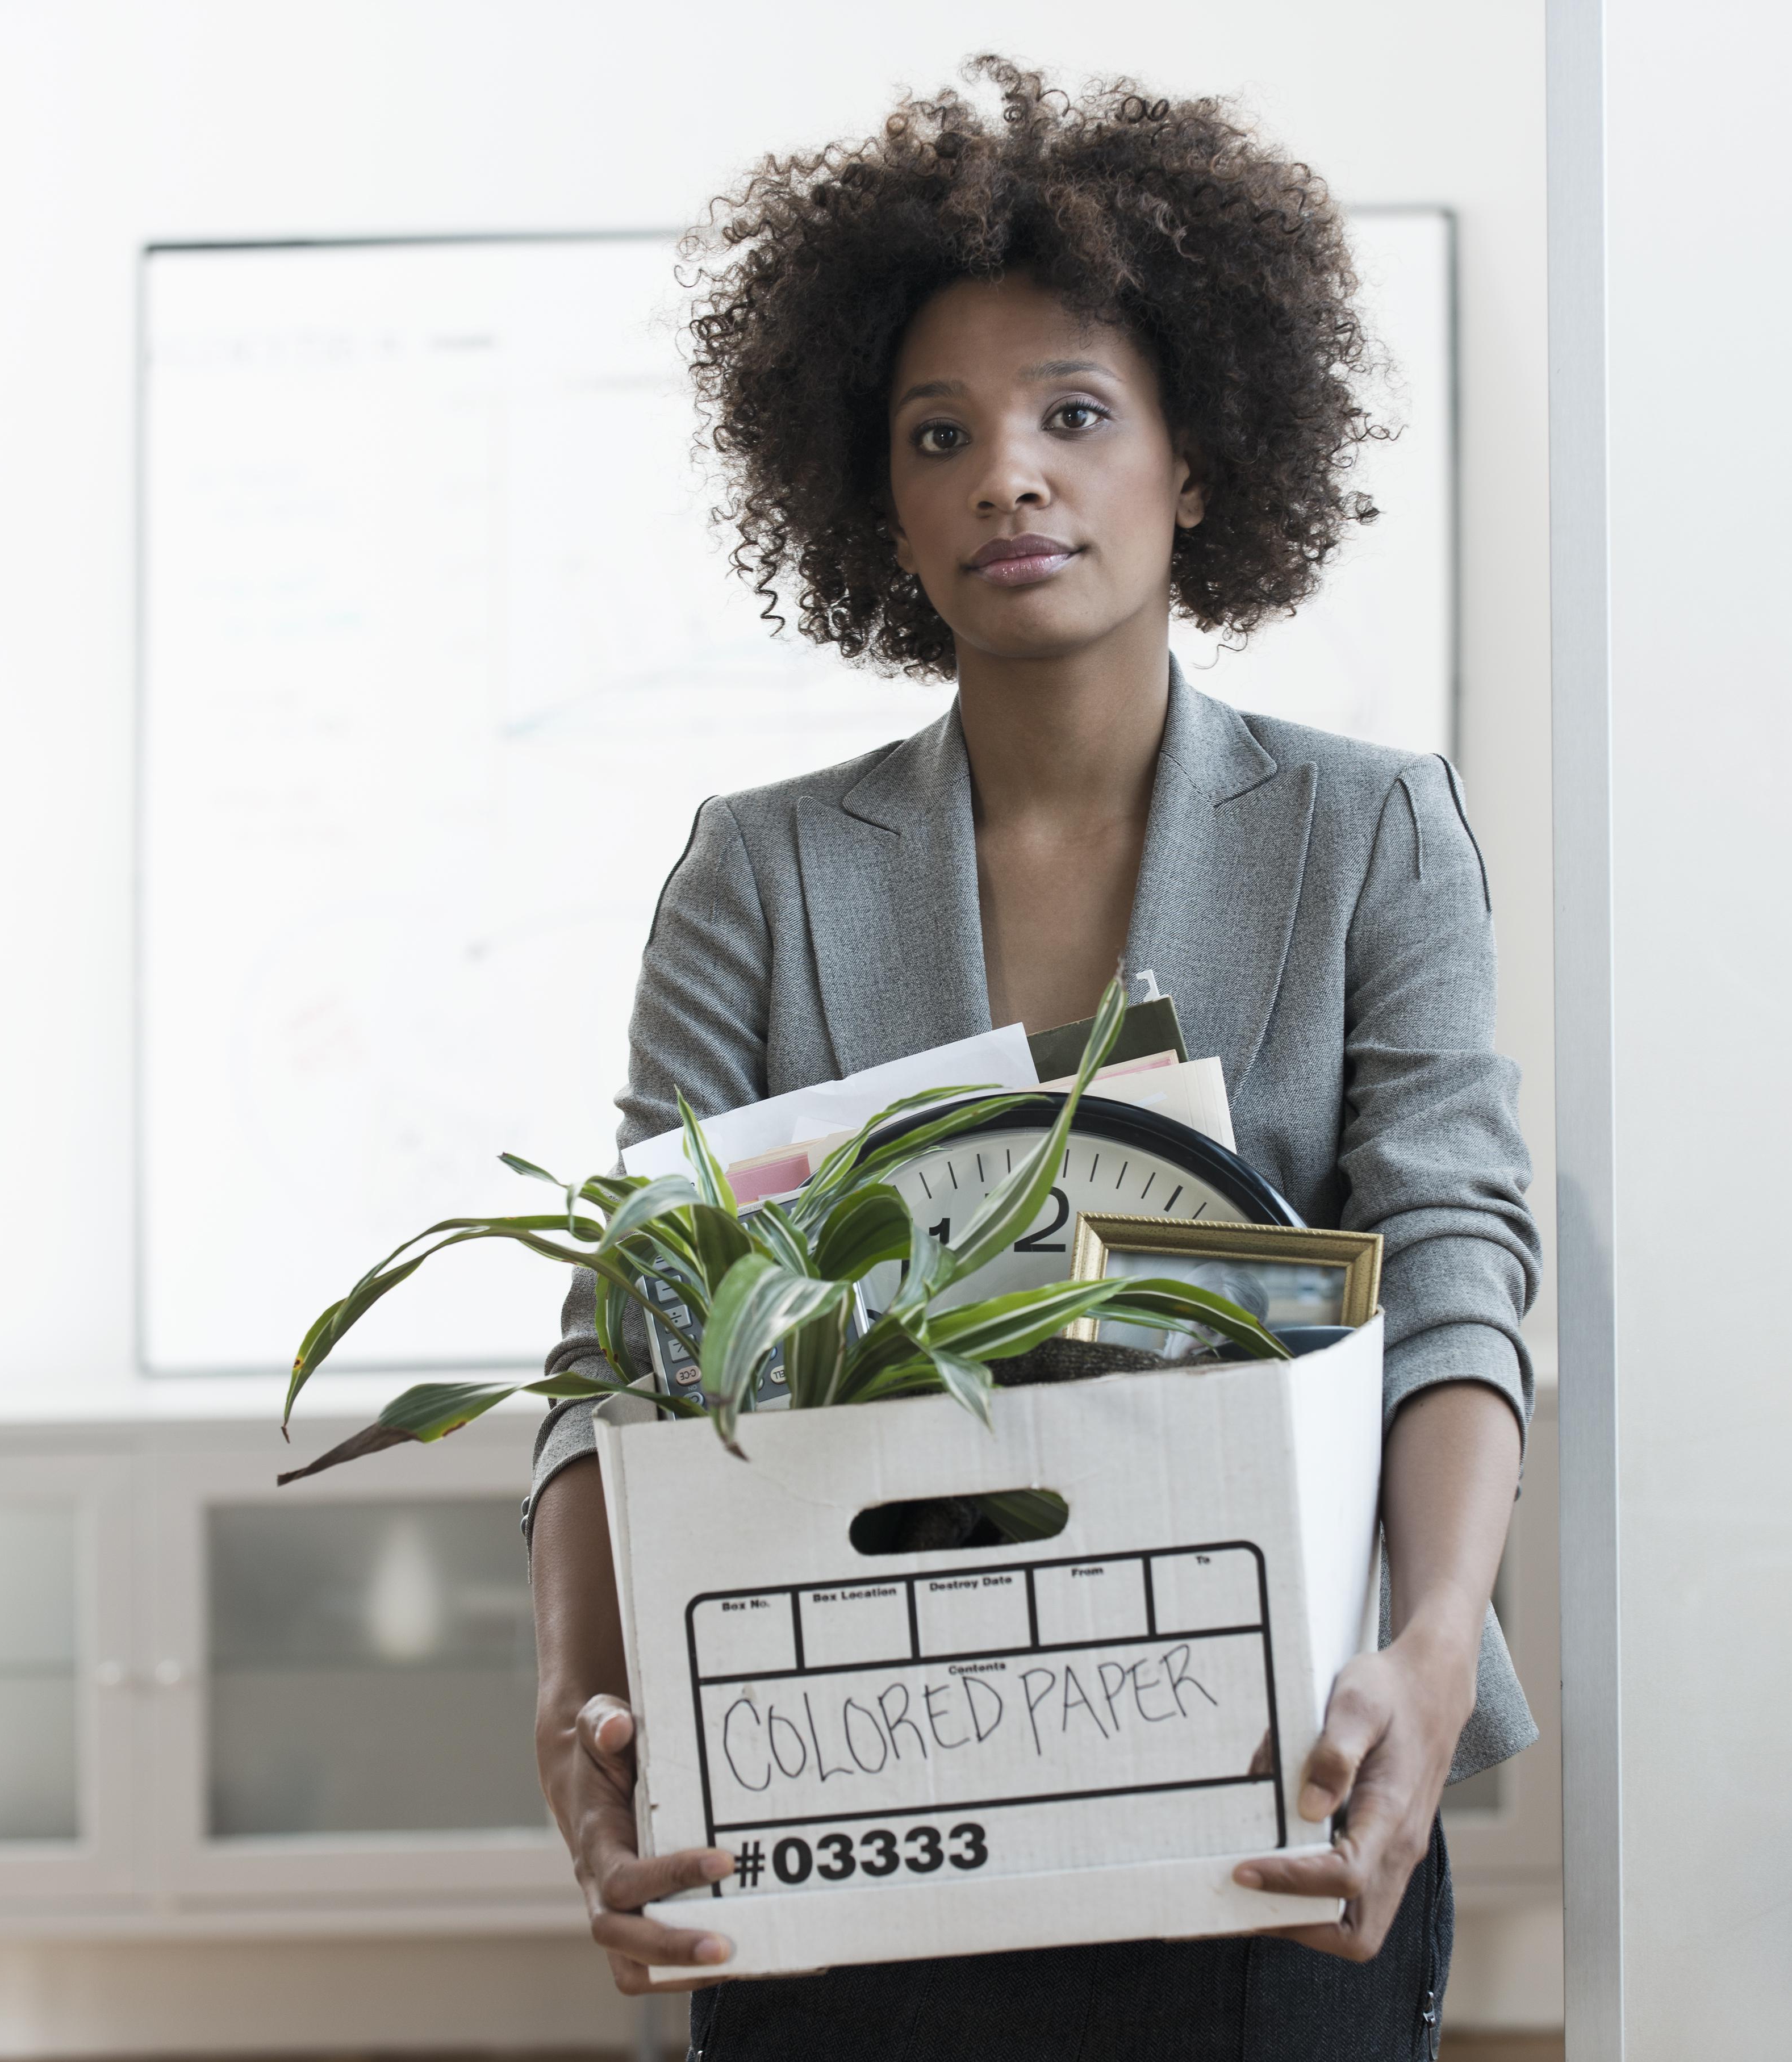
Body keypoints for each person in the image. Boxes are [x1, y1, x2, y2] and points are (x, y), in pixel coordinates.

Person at [521, 59, 1540, 2061]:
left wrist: (1427, 1656)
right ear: (875, 504)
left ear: (1198, 464)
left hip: (1275, 1785)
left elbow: (1453, 1267)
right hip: (845, 1792)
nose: (1011, 473)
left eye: (1076, 414)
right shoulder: (765, 872)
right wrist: (580, 1704)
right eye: (941, 433)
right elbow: (627, 1324)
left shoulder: (1372, 835)